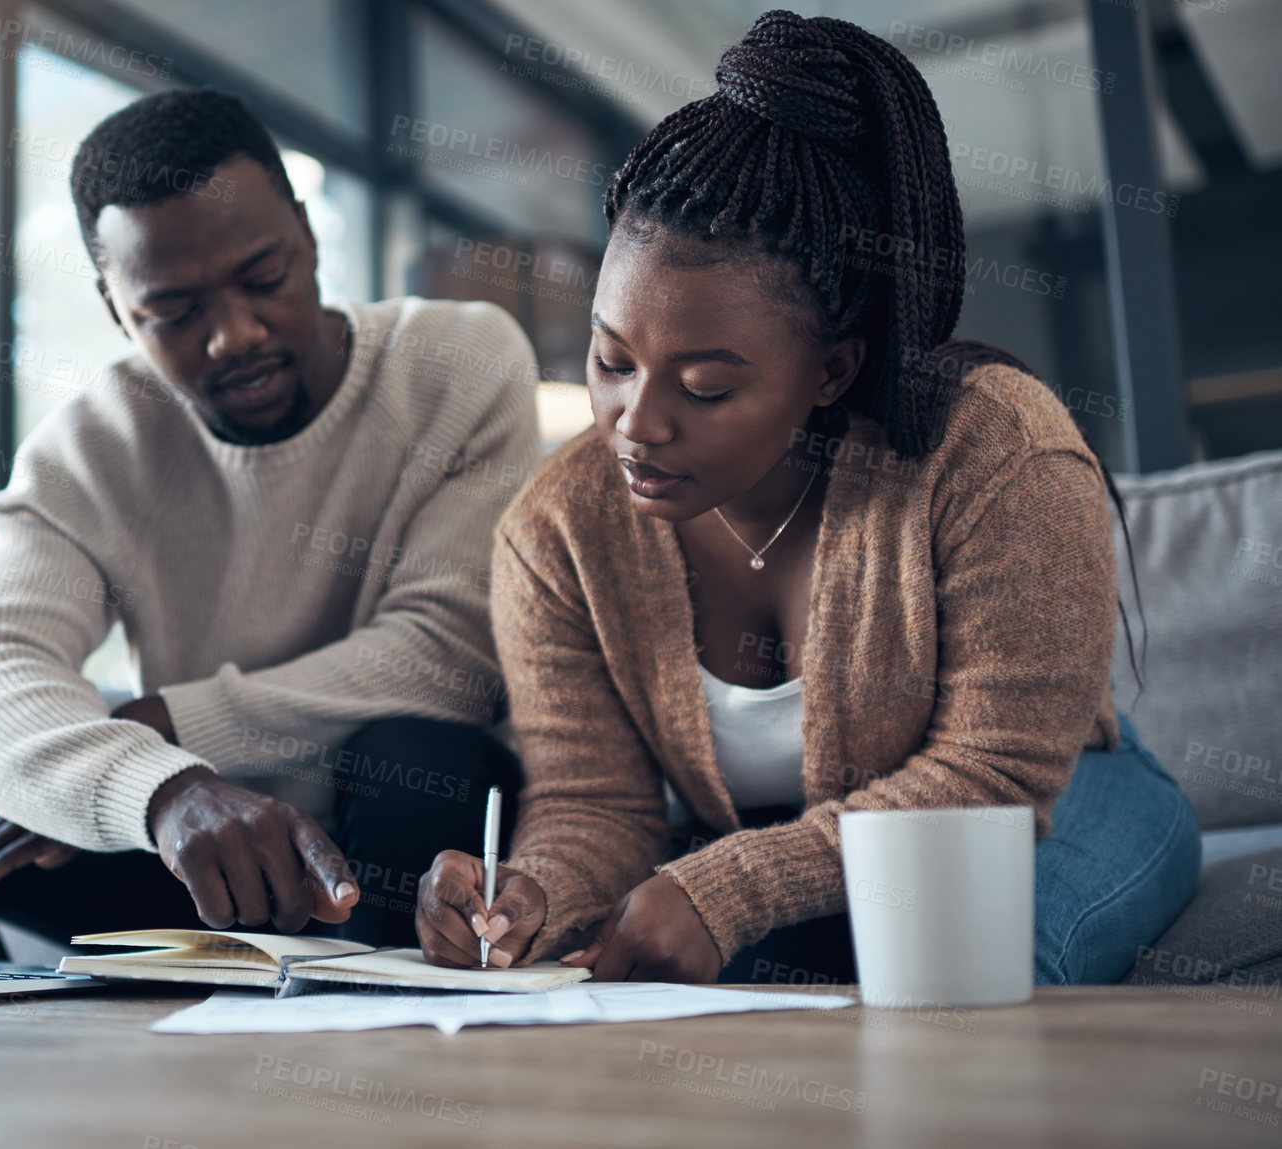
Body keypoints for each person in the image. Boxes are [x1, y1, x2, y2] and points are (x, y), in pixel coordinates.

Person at [415, 10, 1200, 986]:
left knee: (967, 966)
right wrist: (527, 895)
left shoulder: (1000, 452)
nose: (636, 422)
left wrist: (730, 887)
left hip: (1052, 805)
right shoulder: (557, 528)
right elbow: (596, 802)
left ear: (832, 370)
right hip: (767, 841)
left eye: (706, 388)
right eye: (612, 360)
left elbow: (993, 779)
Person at [0, 88, 536, 957]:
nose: (233, 335)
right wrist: (154, 787)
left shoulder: (459, 359)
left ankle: (376, 1056)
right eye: (173, 311)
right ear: (114, 307)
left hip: (397, 841)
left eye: (264, 278)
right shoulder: (93, 446)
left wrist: (159, 723)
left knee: (420, 758)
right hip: (206, 852)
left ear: (308, 237)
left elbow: (450, 658)